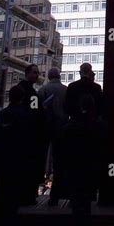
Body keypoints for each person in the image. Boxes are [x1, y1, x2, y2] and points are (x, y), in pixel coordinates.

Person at [0, 85, 39, 226]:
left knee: (1, 194)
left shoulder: (1, 114)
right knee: (14, 196)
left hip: (2, 161)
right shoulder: (25, 116)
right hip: (18, 161)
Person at [61, 93, 107, 226]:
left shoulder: (70, 126)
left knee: (76, 201)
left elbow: (64, 147)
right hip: (91, 168)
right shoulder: (98, 125)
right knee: (87, 201)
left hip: (75, 167)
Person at [38, 67, 68, 206]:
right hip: (61, 128)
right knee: (59, 162)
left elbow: (37, 109)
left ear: (49, 77)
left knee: (40, 158)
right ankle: (56, 195)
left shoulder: (42, 90)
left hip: (44, 128)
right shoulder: (65, 90)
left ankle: (35, 189)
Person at [19, 64, 46, 200]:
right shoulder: (30, 93)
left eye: (37, 73)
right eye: (34, 73)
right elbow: (35, 113)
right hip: (29, 136)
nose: (37, 75)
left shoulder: (21, 89)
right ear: (27, 73)